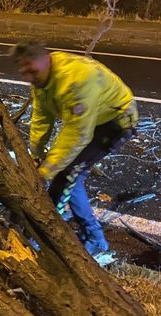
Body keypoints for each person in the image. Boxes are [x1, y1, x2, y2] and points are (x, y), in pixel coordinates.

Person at [13, 41, 138, 255]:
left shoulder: (76, 79)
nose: (28, 79)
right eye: (24, 73)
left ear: (47, 59)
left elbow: (78, 133)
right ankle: (86, 232)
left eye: (32, 72)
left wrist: (44, 172)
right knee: (68, 172)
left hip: (116, 121)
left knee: (66, 175)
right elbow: (42, 118)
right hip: (91, 121)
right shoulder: (42, 80)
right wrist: (35, 154)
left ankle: (88, 238)